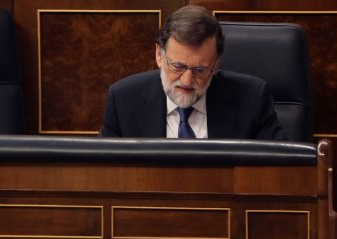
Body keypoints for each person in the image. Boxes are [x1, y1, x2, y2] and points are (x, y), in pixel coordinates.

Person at [99, 5, 286, 140]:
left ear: (216, 64)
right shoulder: (123, 100)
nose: (187, 81)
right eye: (178, 67)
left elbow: (283, 171)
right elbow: (103, 172)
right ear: (159, 55)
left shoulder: (251, 98)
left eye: (200, 69)